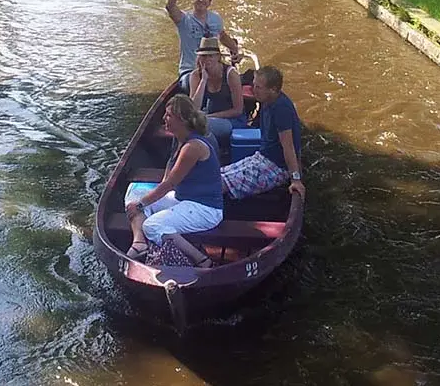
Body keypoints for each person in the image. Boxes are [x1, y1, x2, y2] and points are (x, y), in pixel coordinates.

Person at [124, 94, 223, 266]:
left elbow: (170, 183)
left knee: (152, 225)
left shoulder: (193, 147)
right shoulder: (180, 140)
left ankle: (201, 260)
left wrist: (140, 205)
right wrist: (142, 201)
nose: (164, 119)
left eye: (169, 115)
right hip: (183, 200)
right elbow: (168, 179)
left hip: (204, 209)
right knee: (135, 191)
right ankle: (139, 242)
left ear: (182, 120)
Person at [220, 66, 305, 200]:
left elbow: (288, 146)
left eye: (258, 87)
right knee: (217, 174)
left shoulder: (281, 109)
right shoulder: (266, 101)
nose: (253, 90)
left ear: (273, 89)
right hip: (262, 157)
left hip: (276, 167)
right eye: (253, 85)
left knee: (221, 183)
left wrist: (295, 179)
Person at [165, 0, 242, 91]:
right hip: (190, 71)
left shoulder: (216, 19)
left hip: (214, 70)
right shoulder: (184, 20)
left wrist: (235, 49)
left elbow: (222, 36)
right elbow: (170, 7)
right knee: (196, 87)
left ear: (210, 1)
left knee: (234, 84)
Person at [189, 37, 245, 148]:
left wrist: (210, 116)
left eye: (211, 56)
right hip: (208, 117)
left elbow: (238, 110)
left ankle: (212, 156)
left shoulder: (231, 75)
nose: (207, 59)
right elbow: (193, 108)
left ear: (218, 57)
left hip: (232, 120)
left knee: (199, 126)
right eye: (204, 56)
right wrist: (203, 80)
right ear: (199, 58)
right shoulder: (196, 76)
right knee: (188, 123)